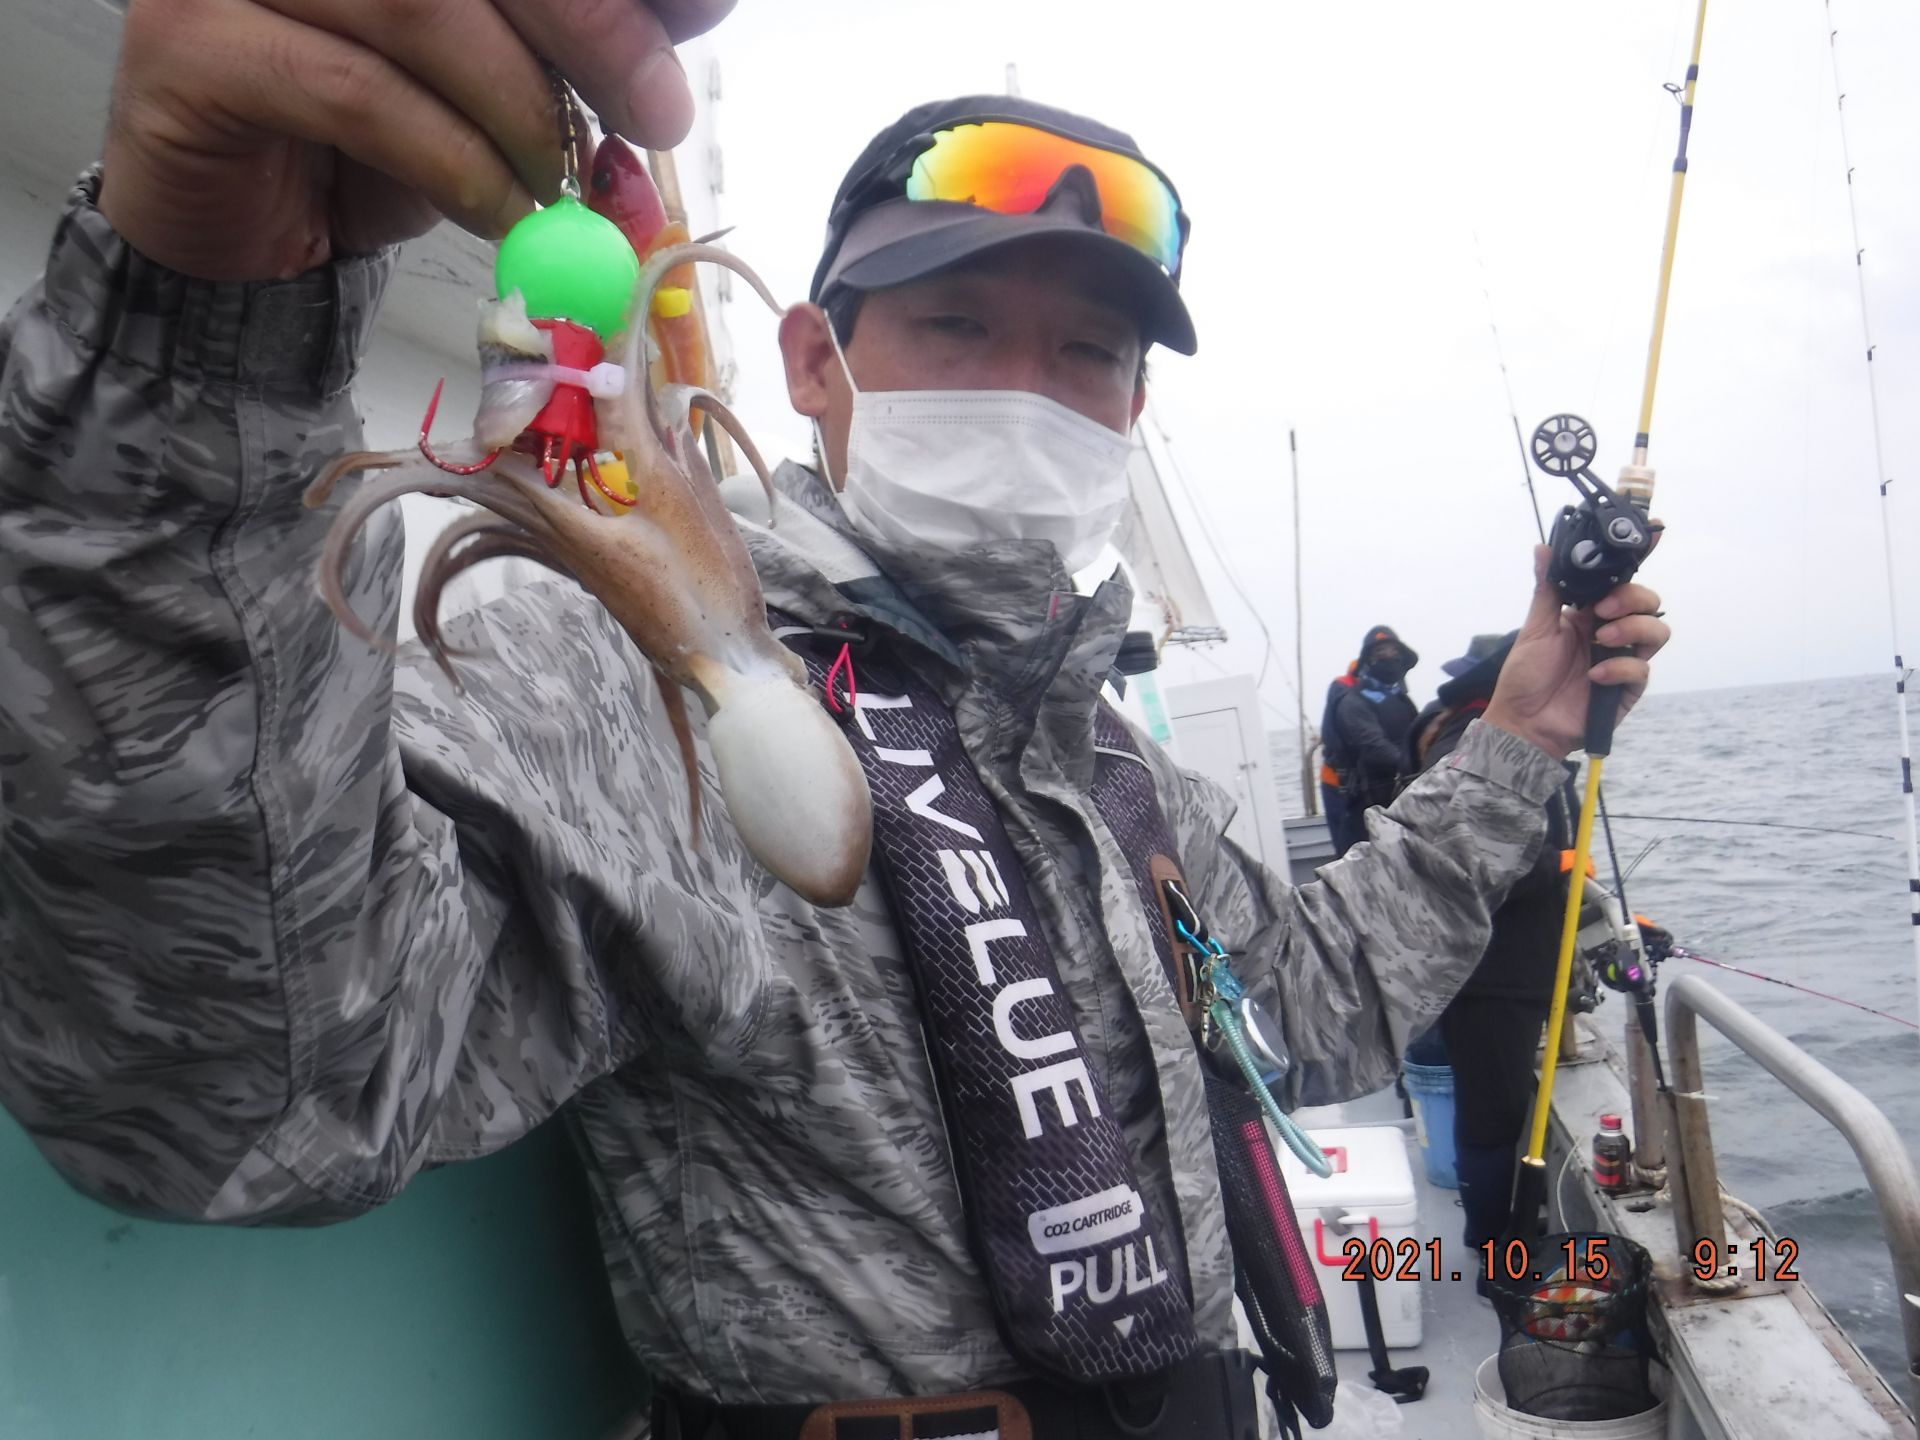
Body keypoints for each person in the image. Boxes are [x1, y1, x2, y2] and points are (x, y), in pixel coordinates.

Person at [0, 5, 1670, 1433]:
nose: (1027, 390)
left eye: (1088, 353)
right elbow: (256, 1088)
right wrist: (198, 328)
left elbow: (1305, 1008)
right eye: (956, 325)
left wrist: (1519, 737)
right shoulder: (636, 675)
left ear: (1134, 407)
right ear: (812, 363)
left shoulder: (1107, 758)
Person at [1403, 632, 1574, 1253]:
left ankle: (1500, 1233)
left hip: (1497, 964)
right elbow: (1467, 864)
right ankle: (1494, 1247)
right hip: (1491, 970)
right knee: (1491, 1117)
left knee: (1495, 1109)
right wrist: (1559, 864)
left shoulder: (1476, 734)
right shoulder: (1468, 743)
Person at [1318, 626, 1420, 857]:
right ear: (1367, 660)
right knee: (1354, 859)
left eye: (1394, 652)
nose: (1389, 658)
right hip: (1355, 796)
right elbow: (1373, 746)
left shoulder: (1400, 698)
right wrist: (1415, 766)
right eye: (1380, 652)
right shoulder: (1350, 699)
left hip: (1396, 794)